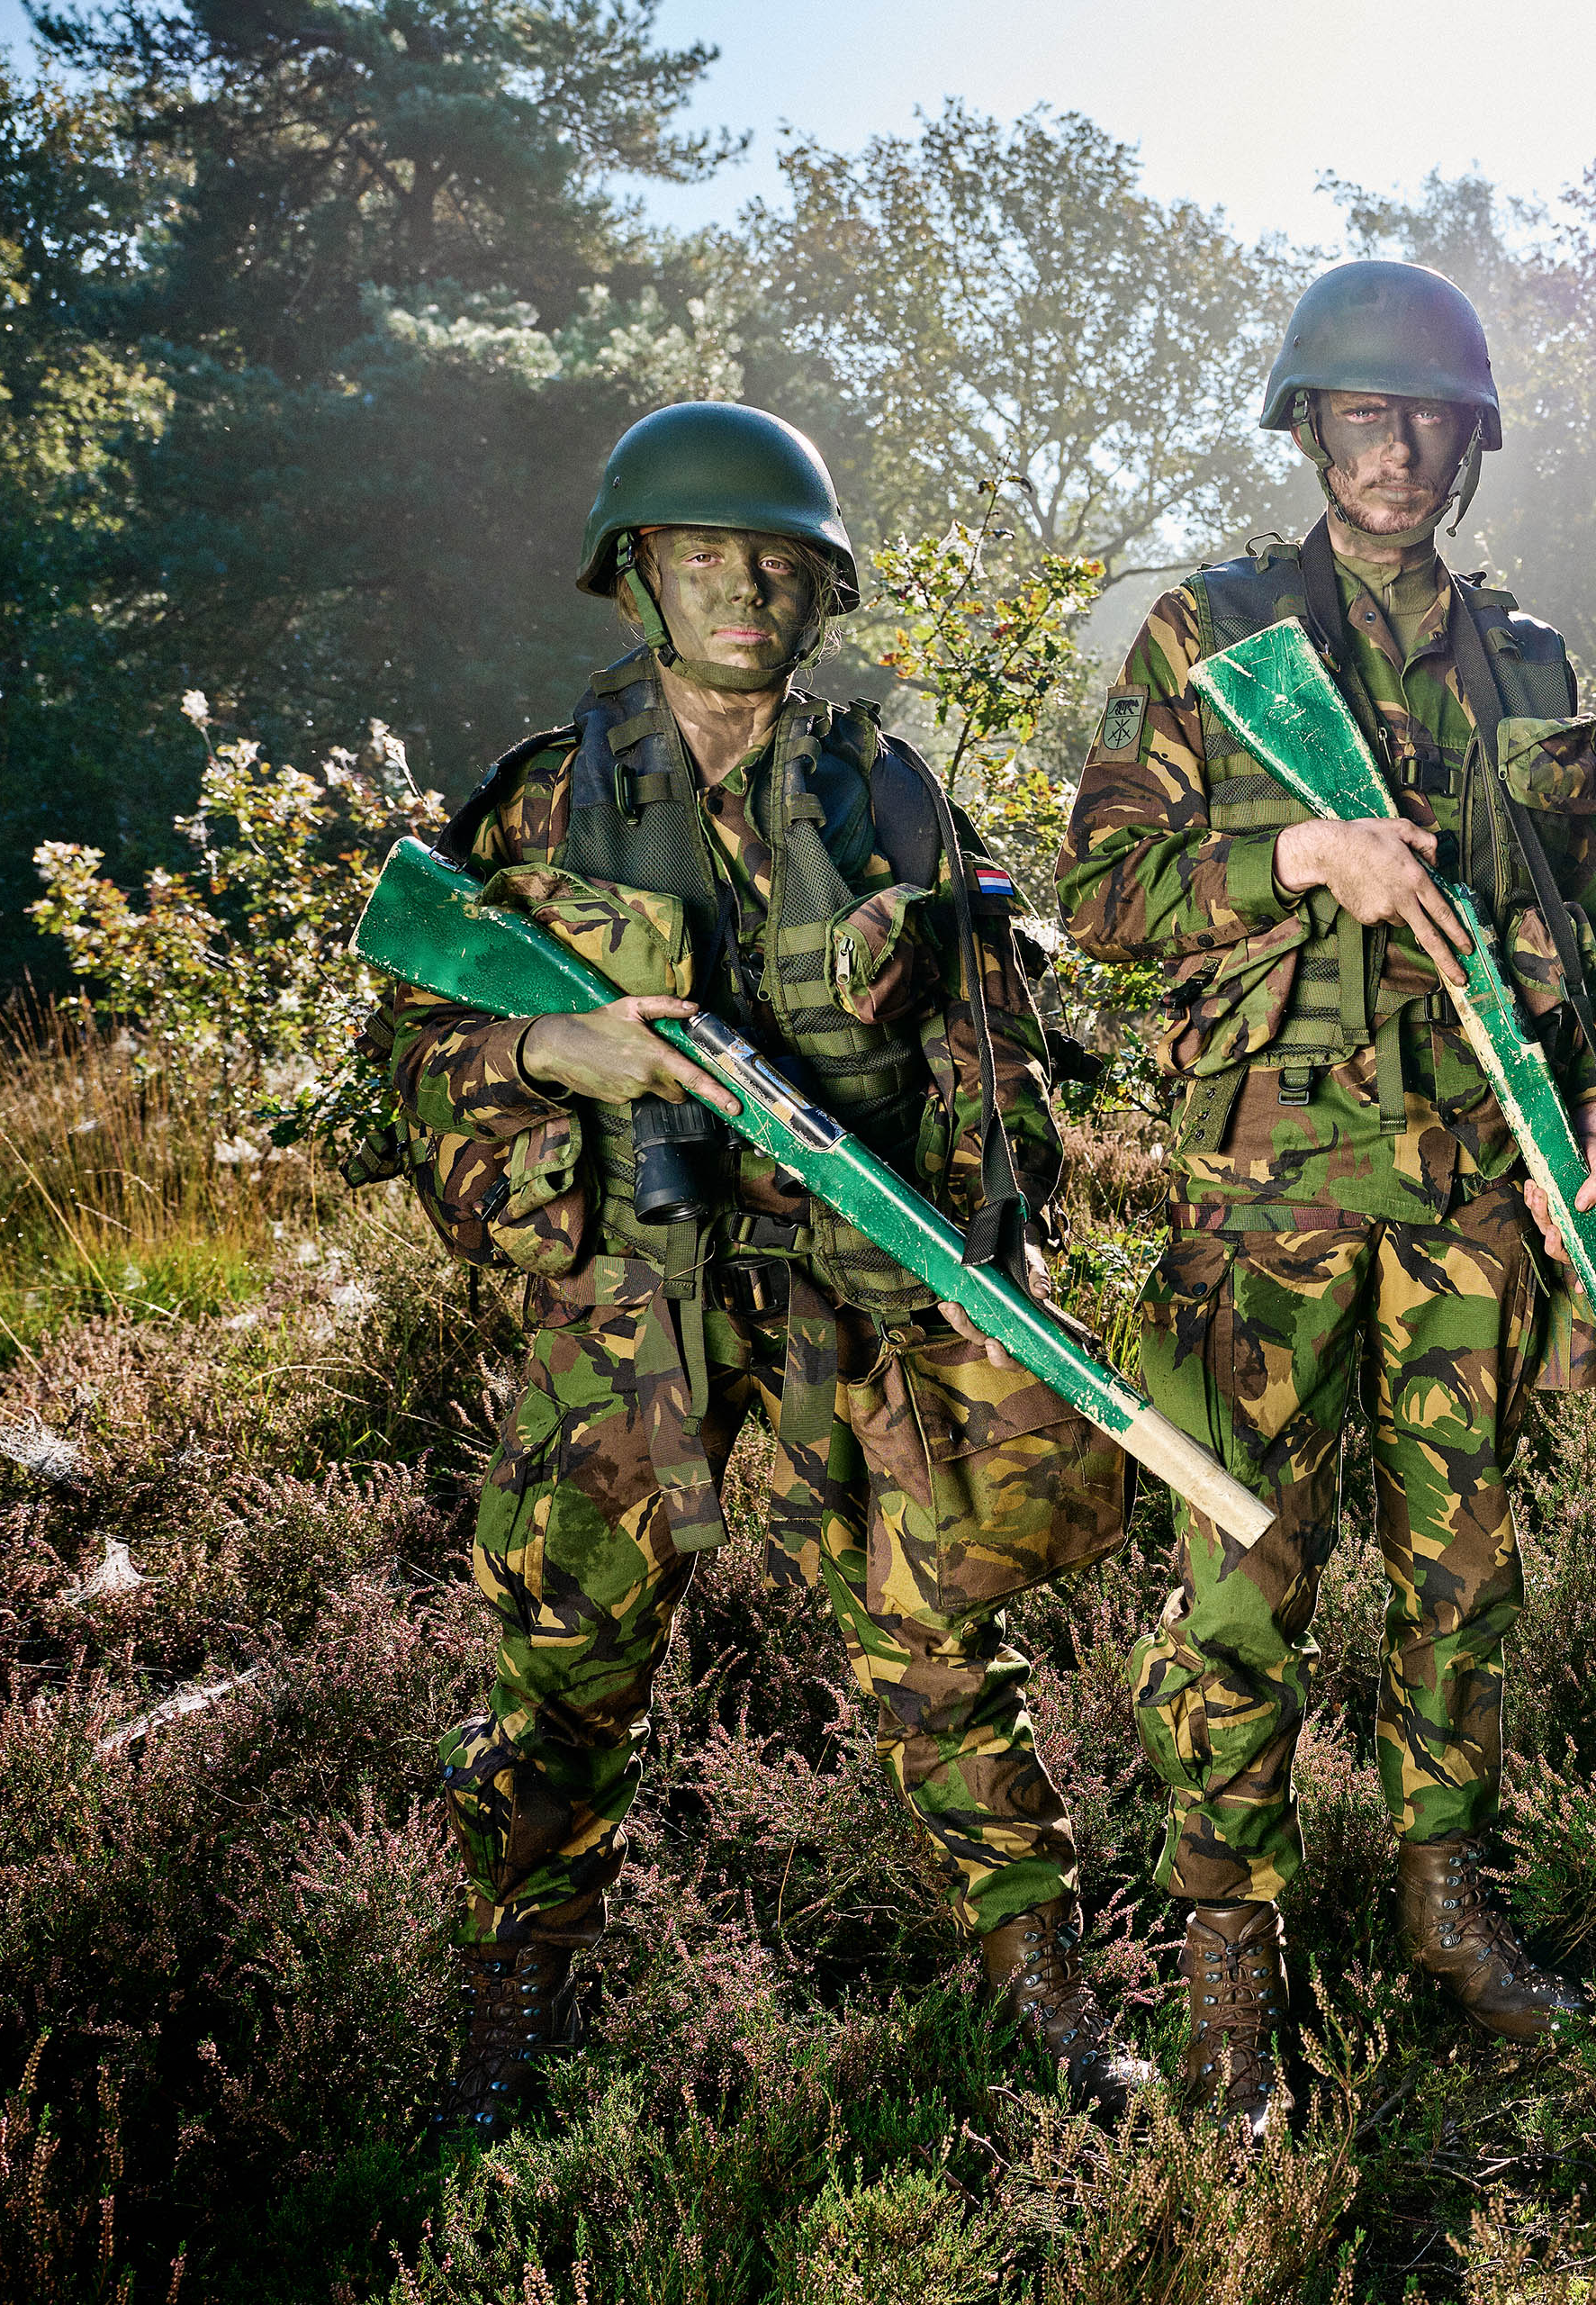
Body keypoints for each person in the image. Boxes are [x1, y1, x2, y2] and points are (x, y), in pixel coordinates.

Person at [378, 402, 1141, 2133]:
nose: (741, 590)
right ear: (637, 575)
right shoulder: (543, 801)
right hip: (625, 1310)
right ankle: (518, 1999)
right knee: (563, 1664)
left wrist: (992, 1275)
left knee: (942, 1650)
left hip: (849, 1304)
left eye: (775, 564)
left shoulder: (880, 793)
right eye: (703, 556)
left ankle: (1046, 1989)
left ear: (817, 595)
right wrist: (556, 1056)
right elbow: (408, 1058)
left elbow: (988, 1053)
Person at [1057, 261, 1596, 2131]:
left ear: (1469, 444)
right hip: (1271, 1189)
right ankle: (1230, 1974)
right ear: (1311, 427)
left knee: (1462, 1571)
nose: (1395, 451)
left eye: (1428, 420)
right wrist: (1299, 847)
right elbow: (1098, 900)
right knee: (1240, 1576)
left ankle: (1445, 1912)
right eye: (1362, 415)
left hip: (1480, 1185)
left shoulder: (1530, 663)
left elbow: (1595, 936)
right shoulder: (1215, 636)